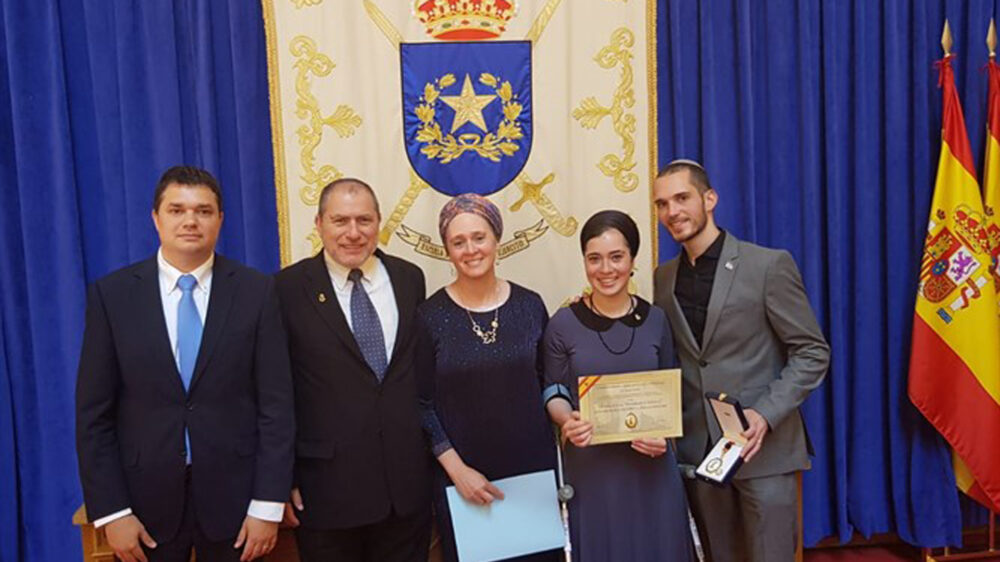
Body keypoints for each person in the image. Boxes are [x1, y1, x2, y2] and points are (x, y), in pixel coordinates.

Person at [75, 166, 295, 562]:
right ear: (156, 218)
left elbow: (276, 406)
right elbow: (94, 415)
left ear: (220, 220)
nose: (191, 221)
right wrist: (112, 511)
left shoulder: (256, 292)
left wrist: (267, 504)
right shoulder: (113, 296)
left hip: (237, 503)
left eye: (204, 211)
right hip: (144, 507)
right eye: (177, 210)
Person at [652, 159, 830, 562]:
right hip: (701, 457)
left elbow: (812, 351)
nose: (672, 212)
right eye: (662, 204)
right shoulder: (662, 280)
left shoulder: (767, 265)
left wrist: (764, 415)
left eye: (682, 198)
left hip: (763, 452)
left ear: (709, 198)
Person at [275, 178, 431, 562]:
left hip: (405, 489)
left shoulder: (410, 279)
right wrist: (283, 479)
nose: (353, 233)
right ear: (319, 224)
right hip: (326, 492)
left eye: (364, 220)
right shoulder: (288, 288)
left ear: (379, 222)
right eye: (340, 221)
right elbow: (277, 392)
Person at [542, 210, 695, 562]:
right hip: (593, 471)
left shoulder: (656, 319)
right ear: (584, 261)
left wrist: (665, 437)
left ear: (633, 260)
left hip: (652, 470)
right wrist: (567, 420)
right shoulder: (563, 323)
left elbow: (670, 391)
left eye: (616, 257)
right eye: (594, 259)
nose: (606, 269)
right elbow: (553, 390)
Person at [416, 194, 558, 562]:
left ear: (496, 239)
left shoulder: (530, 306)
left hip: (532, 478)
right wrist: (457, 471)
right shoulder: (429, 316)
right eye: (458, 242)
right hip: (463, 482)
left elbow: (549, 385)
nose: (470, 249)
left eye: (479, 237)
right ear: (447, 250)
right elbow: (421, 403)